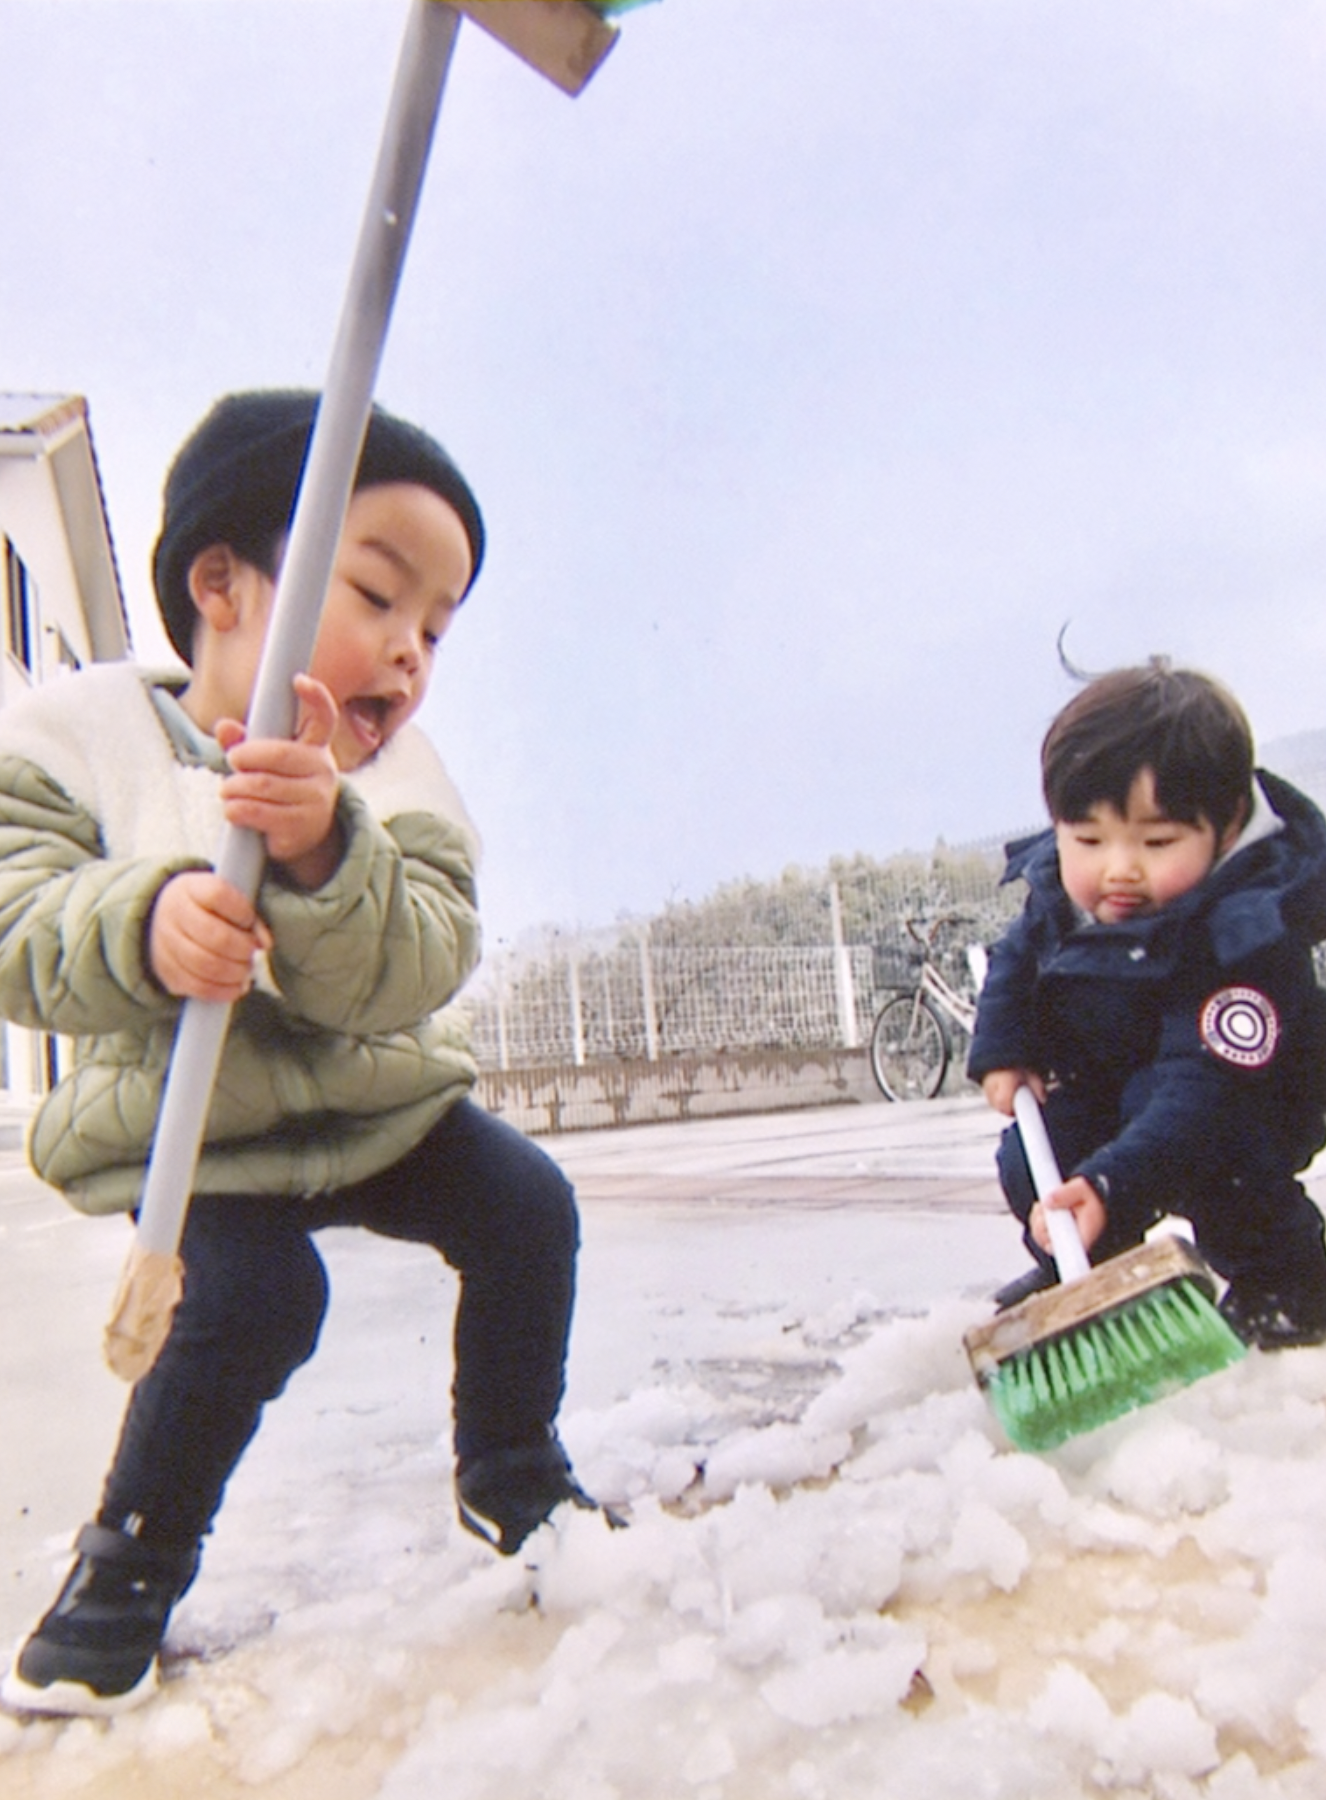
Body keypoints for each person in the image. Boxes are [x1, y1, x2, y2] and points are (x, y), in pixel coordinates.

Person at [0, 390, 602, 1720]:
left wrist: (331, 851)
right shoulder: (78, 741)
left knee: (523, 1211)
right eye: (379, 597)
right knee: (254, 1302)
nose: (409, 656)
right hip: (197, 1130)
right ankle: (126, 1571)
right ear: (221, 582)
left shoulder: (397, 781)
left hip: (372, 1104)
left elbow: (418, 963)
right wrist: (142, 923)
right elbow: (15, 924)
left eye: (436, 631)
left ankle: (512, 1471)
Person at [968, 659, 1326, 1350]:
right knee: (1034, 1153)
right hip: (1125, 1080)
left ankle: (1291, 1282)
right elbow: (1019, 954)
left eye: (1156, 842)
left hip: (1244, 1095)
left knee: (1218, 1165)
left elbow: (1204, 1088)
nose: (1118, 867)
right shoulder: (1063, 890)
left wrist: (1112, 1180)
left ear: (1225, 827)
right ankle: (1092, 1268)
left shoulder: (1247, 927)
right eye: (1090, 839)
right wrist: (1004, 1051)